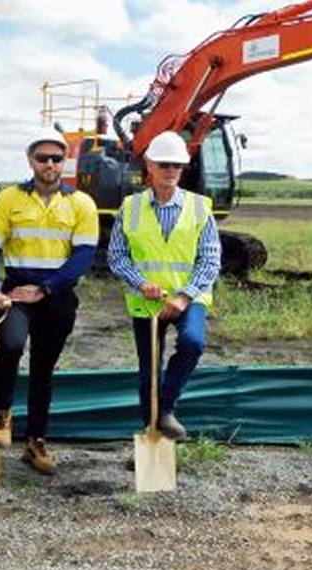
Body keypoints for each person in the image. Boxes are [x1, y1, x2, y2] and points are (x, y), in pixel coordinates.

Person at [0, 126, 98, 475]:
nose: (50, 164)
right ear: (31, 161)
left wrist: (46, 289)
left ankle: (36, 441)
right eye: (42, 158)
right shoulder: (8, 199)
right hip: (14, 291)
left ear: (65, 162)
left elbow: (83, 255)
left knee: (44, 368)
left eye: (57, 159)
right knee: (10, 345)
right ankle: (1, 417)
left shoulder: (81, 203)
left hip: (56, 295)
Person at [107, 130, 221, 441]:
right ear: (150, 165)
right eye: (164, 164)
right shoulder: (130, 208)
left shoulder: (200, 208)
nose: (171, 171)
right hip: (147, 301)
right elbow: (116, 256)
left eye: (177, 165)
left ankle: (166, 409)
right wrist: (141, 283)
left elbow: (210, 260)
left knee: (192, 343)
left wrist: (183, 298)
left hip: (189, 298)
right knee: (148, 374)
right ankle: (150, 433)